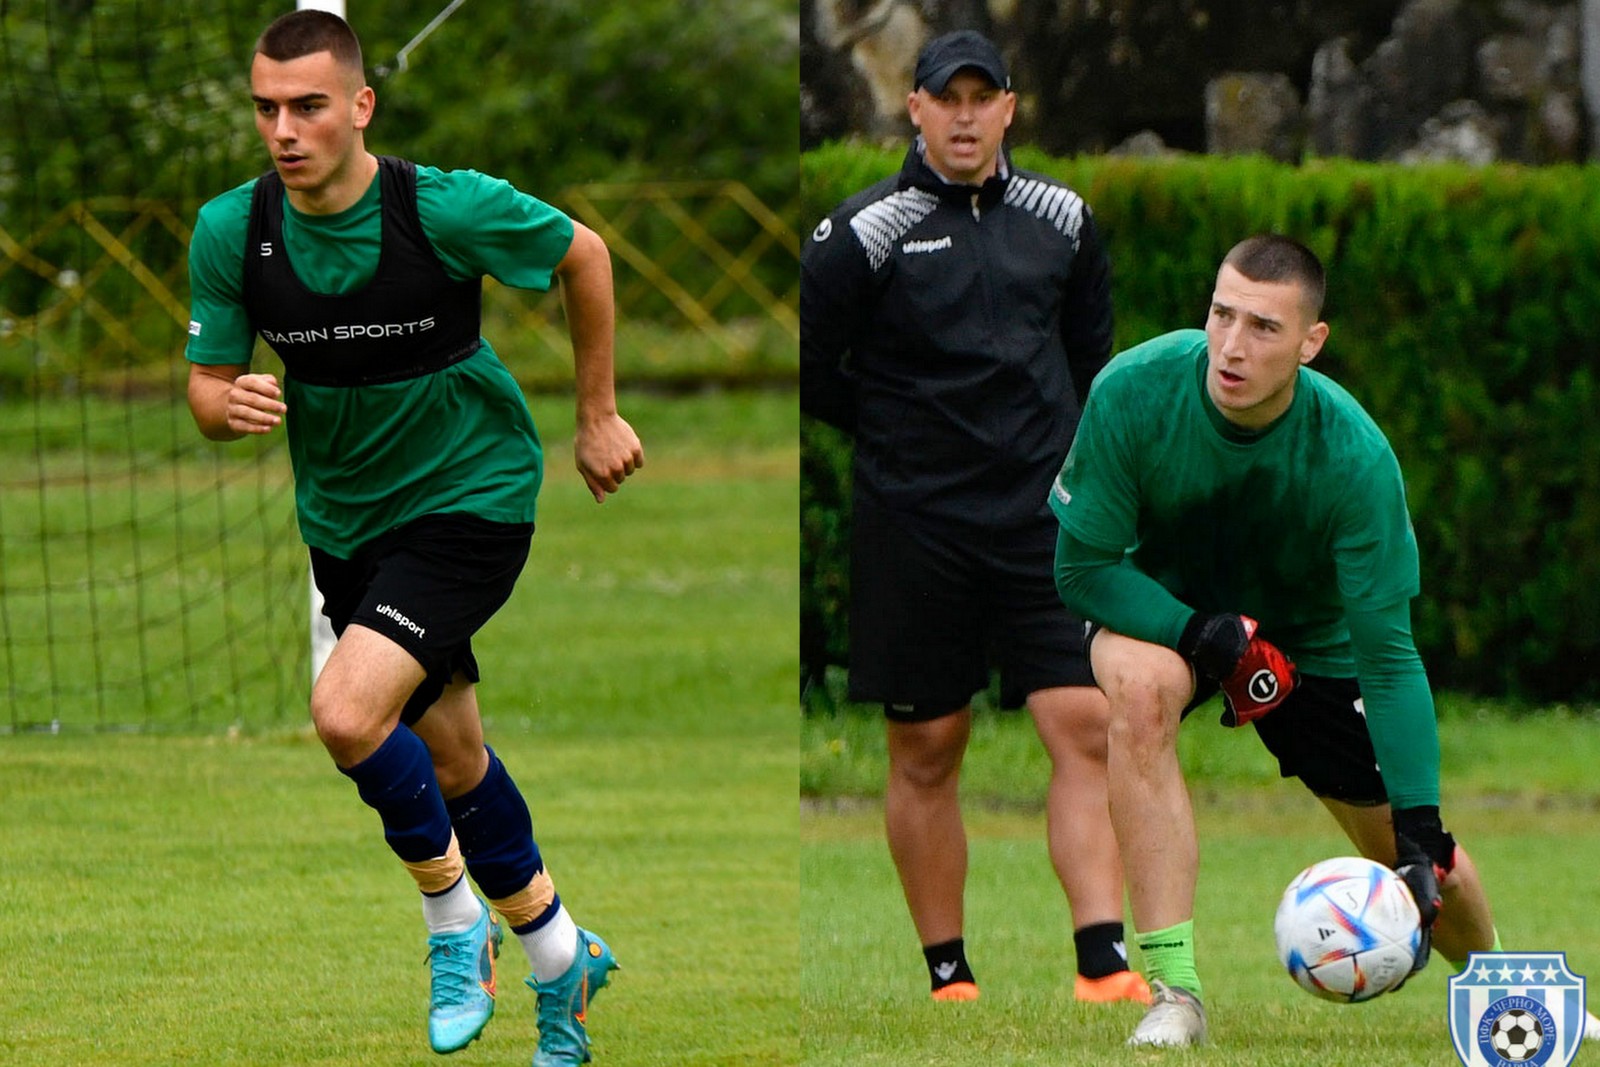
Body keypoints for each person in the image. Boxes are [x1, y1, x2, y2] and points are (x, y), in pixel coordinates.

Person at [183, 11, 642, 1064]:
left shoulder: (441, 206)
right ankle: (561, 956)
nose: (284, 130)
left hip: (471, 497)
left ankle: (453, 922)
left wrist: (596, 413)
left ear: (360, 106)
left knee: (346, 712)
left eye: (307, 106)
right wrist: (224, 404)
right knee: (452, 753)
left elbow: (583, 255)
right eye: (265, 108)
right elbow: (206, 387)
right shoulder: (232, 230)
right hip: (346, 521)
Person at [1051, 233, 1600, 1047]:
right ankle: (1175, 993)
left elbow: (1389, 657)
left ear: (1311, 342)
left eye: (1264, 327)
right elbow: (1083, 569)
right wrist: (1198, 631)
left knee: (1415, 850)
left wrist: (1421, 827)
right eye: (1221, 314)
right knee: (1141, 691)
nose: (1231, 346)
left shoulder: (1353, 455)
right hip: (1160, 612)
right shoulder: (1134, 389)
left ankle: (1510, 991)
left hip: (1307, 642)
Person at [801, 29, 1148, 1005]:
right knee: (928, 744)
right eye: (944, 99)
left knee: (1085, 722)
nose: (963, 117)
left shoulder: (1063, 219)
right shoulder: (859, 233)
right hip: (914, 521)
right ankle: (948, 972)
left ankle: (1101, 961)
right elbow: (817, 371)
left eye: (980, 98)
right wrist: (899, 439)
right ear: (913, 108)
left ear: (1007, 109)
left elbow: (1090, 362)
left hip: (1044, 515)